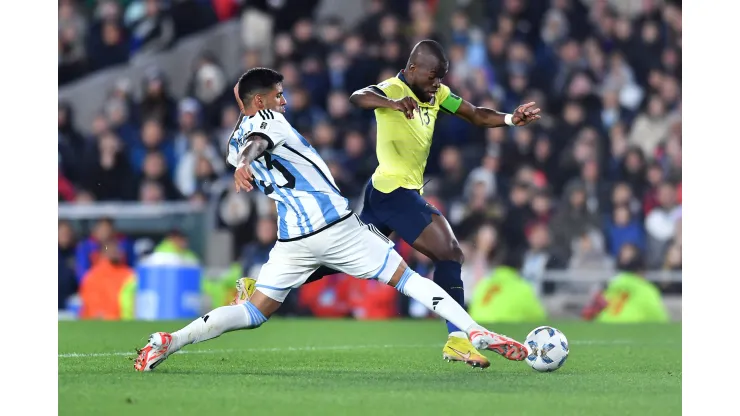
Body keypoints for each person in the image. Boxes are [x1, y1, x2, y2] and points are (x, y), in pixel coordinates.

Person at [134, 68, 527, 371]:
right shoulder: (266, 122)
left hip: (292, 242)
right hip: (335, 228)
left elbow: (247, 146)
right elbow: (260, 141)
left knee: (252, 313)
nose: (283, 101)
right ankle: (471, 332)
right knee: (409, 279)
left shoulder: (232, 142)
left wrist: (240, 162)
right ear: (259, 100)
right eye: (277, 95)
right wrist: (247, 163)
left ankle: (171, 341)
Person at [235, 40, 540, 368]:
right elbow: (357, 97)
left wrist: (511, 119)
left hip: (385, 192)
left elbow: (477, 114)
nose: (436, 83)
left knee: (341, 259)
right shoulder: (392, 88)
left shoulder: (438, 95)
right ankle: (459, 339)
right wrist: (392, 103)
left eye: (441, 77)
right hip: (393, 191)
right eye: (432, 76)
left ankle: (260, 283)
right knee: (450, 252)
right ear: (412, 70)